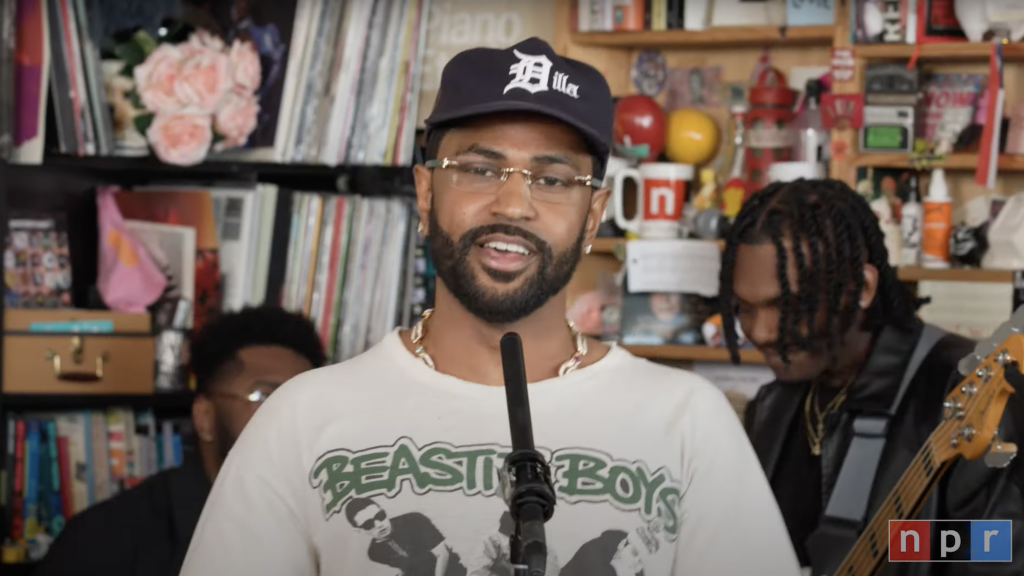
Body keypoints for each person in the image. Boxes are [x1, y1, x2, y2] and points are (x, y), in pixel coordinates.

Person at [178, 37, 801, 576]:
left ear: (593, 217)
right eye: (478, 169)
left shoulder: (688, 422)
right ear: (425, 194)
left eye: (553, 179)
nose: (512, 205)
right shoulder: (301, 419)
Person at [719, 178, 1024, 574]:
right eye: (744, 308)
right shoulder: (772, 408)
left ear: (861, 287)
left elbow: (1000, 546)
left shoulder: (965, 386)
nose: (760, 331)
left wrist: (901, 543)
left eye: (788, 305)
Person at [32, 306, 326, 576]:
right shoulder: (101, 544)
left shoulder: (339, 531)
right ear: (204, 417)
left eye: (308, 402)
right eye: (264, 397)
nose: (294, 419)